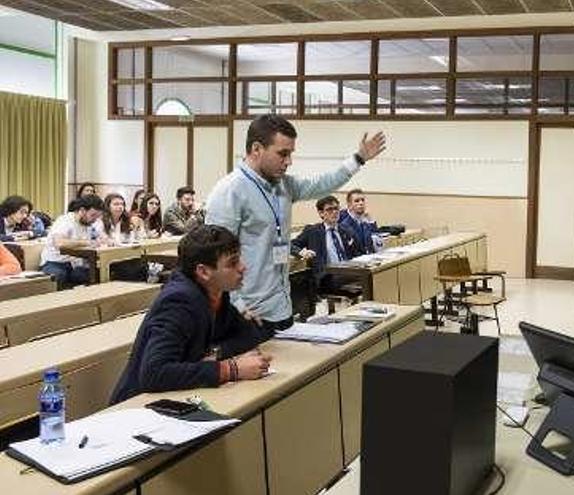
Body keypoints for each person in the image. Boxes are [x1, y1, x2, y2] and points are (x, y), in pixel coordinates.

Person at [205, 114, 386, 330]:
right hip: (248, 314)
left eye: (290, 154)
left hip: (281, 307)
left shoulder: (283, 185)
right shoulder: (230, 191)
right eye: (282, 154)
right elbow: (214, 259)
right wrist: (236, 305)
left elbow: (322, 183)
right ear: (256, 149)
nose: (288, 162)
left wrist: (358, 159)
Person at [109, 225, 272, 404]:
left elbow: (249, 334)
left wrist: (212, 354)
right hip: (138, 408)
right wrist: (231, 369)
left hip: (178, 398)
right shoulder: (179, 301)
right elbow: (154, 373)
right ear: (203, 272)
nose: (242, 268)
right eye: (232, 263)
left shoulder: (216, 291)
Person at [291, 195, 365, 309]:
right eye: (330, 209)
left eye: (337, 209)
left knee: (371, 278)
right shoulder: (312, 231)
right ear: (321, 213)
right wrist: (301, 252)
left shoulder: (346, 230)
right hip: (326, 278)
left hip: (349, 273)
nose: (334, 212)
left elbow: (359, 253)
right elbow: (290, 245)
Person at [40, 195, 106, 288]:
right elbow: (59, 243)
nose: (95, 219)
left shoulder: (88, 223)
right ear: (82, 210)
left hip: (75, 265)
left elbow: (100, 237)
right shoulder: (65, 221)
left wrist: (105, 240)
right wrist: (87, 242)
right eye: (93, 215)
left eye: (97, 216)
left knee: (98, 275)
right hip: (55, 262)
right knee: (58, 276)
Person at [339, 188, 382, 253]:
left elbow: (376, 239)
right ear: (349, 205)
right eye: (357, 201)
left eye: (362, 200)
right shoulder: (344, 226)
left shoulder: (366, 222)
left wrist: (370, 220)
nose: (361, 203)